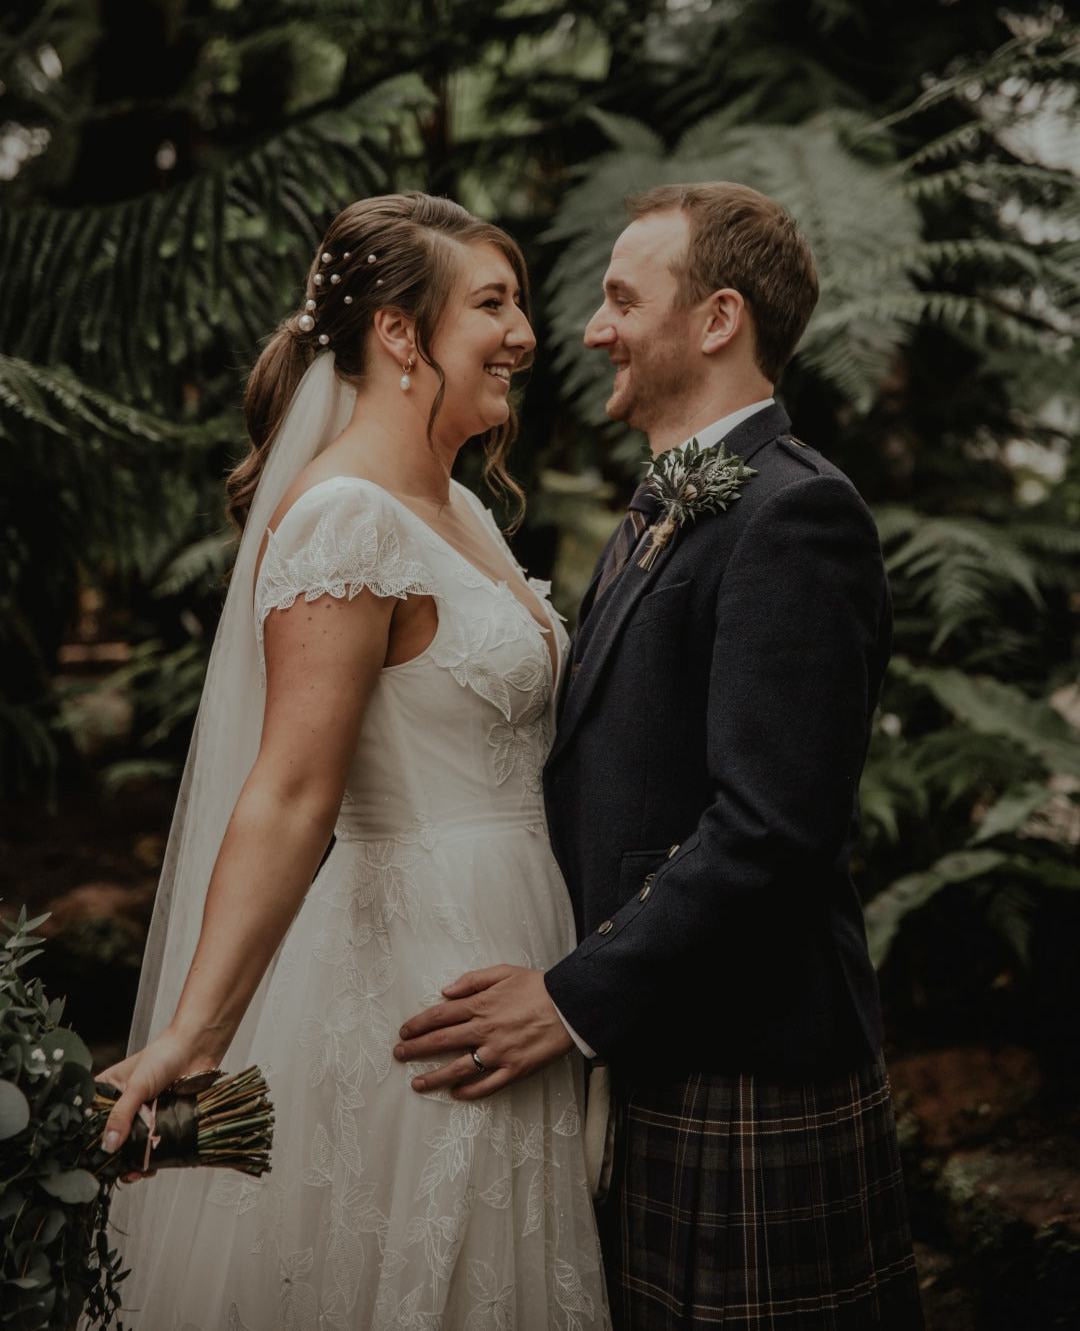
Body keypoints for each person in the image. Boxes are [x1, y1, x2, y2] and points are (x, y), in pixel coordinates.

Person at [393, 183, 924, 1327]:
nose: (590, 329)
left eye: (623, 298)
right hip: (667, 1041)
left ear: (719, 318)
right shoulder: (669, 504)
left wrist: (574, 999)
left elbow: (772, 828)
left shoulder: (795, 514)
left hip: (749, 1059)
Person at [97, 193, 611, 1330]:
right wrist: (192, 1038)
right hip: (421, 978)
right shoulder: (344, 521)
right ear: (396, 333)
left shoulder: (463, 511)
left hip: (517, 944)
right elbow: (288, 791)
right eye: (493, 302)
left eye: (517, 300)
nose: (526, 333)